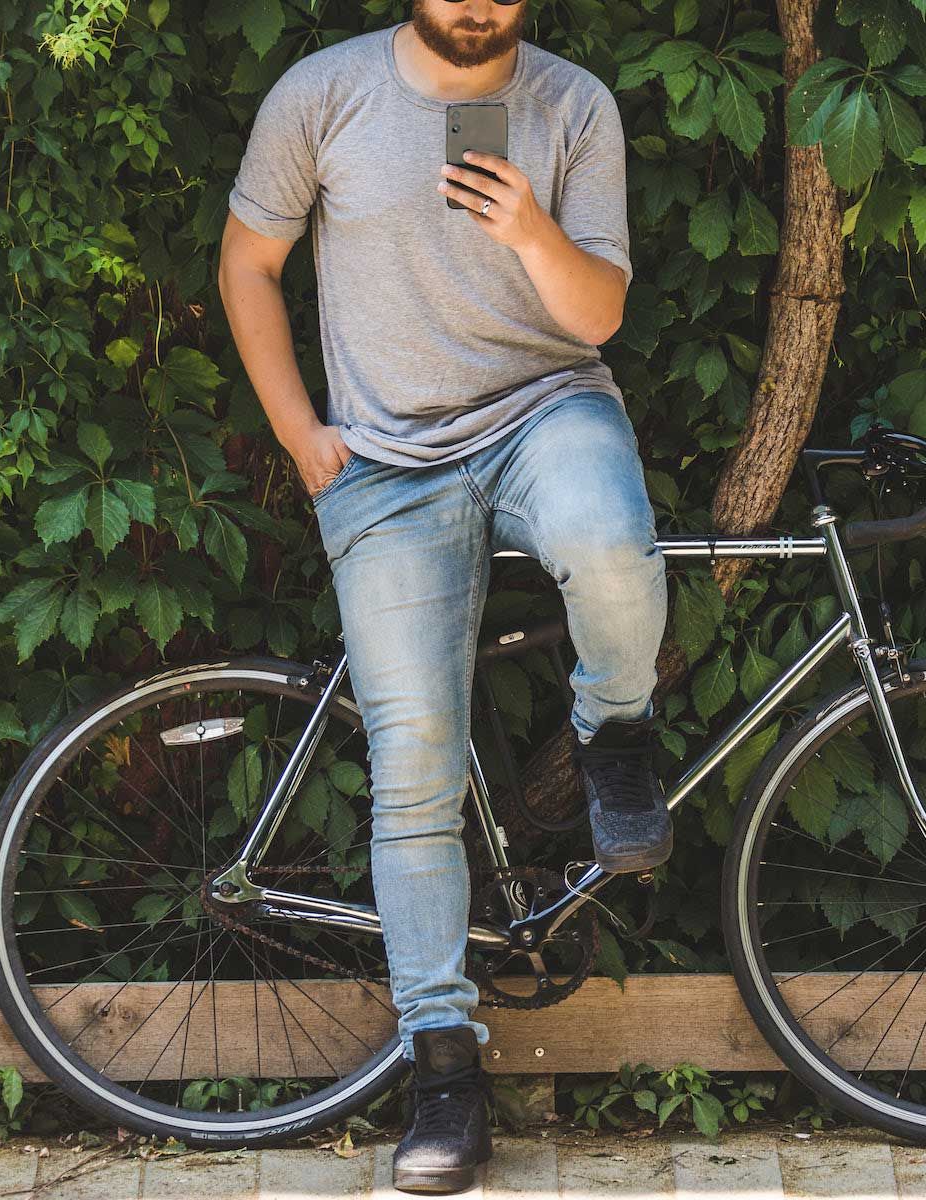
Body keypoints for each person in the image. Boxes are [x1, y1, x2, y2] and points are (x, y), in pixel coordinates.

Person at [216, 0, 669, 1191]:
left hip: (546, 410)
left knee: (612, 546)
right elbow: (248, 264)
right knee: (414, 758)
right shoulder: (322, 96)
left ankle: (615, 729)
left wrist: (529, 230)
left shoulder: (573, 105)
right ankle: (445, 1072)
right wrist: (304, 437)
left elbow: (601, 313)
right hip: (383, 457)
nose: (480, 5)